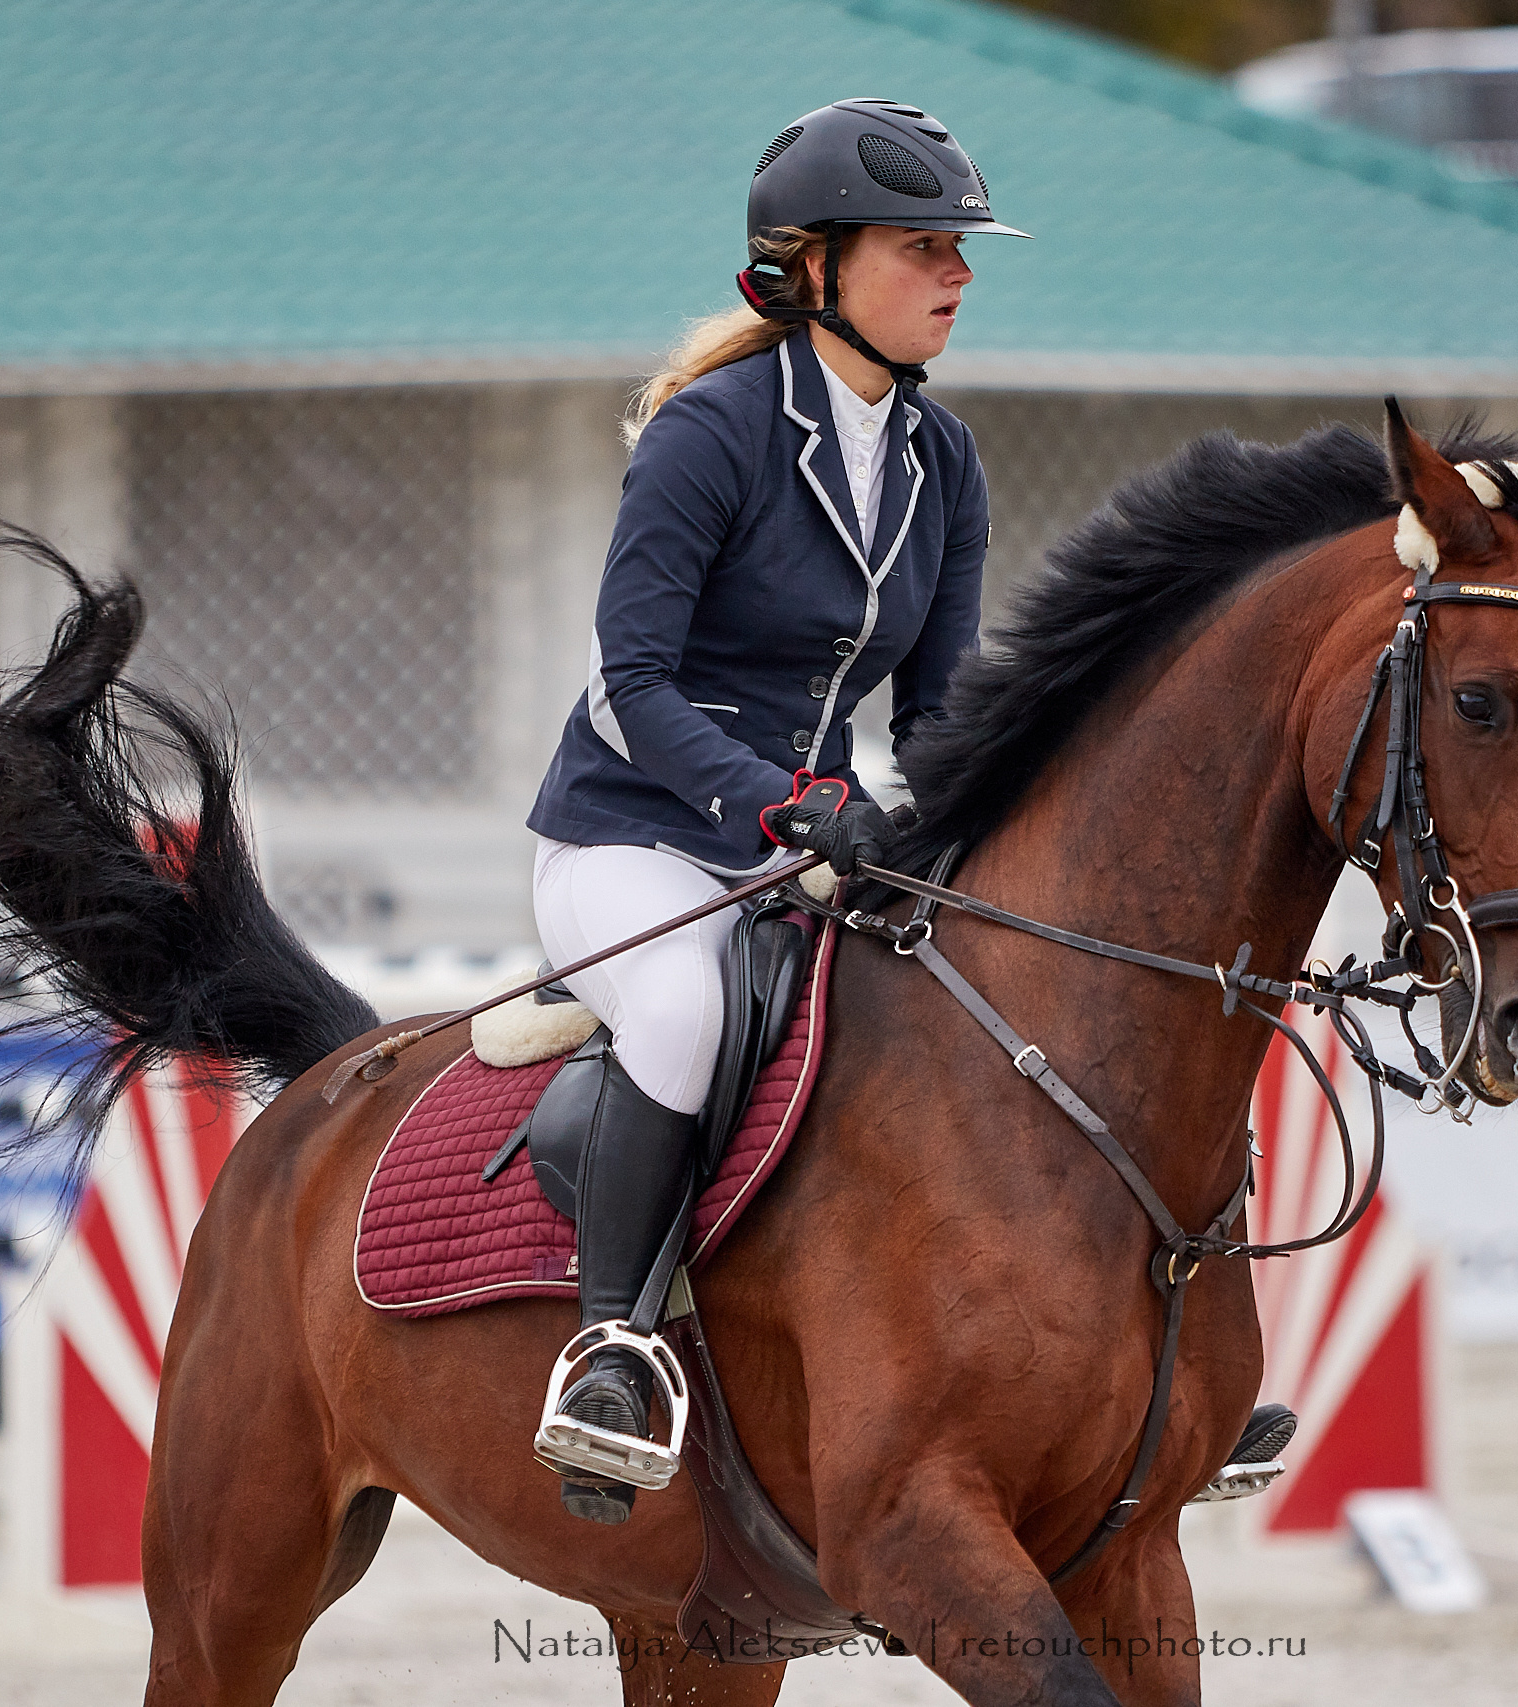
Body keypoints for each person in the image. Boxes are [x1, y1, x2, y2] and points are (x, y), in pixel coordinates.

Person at [523, 98, 1028, 1522]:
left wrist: (972, 834)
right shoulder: (714, 434)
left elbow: (936, 712)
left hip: (811, 844)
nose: (959, 275)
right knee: (681, 1012)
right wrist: (783, 806)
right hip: (630, 838)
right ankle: (610, 1351)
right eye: (927, 246)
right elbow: (631, 682)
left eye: (961, 250)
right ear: (810, 267)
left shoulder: (943, 465)